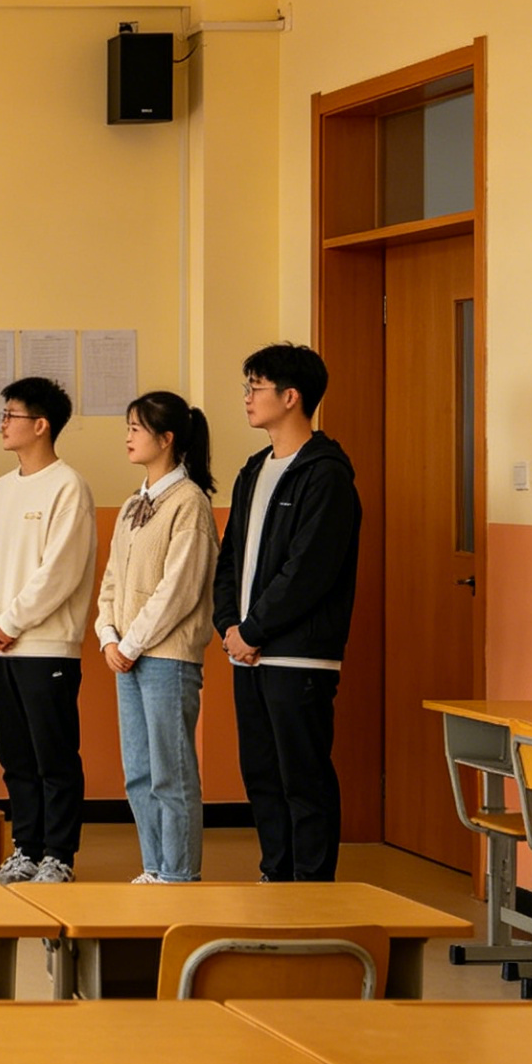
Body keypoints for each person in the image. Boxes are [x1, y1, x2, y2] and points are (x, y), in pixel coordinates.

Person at [213, 343, 361, 882]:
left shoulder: (325, 475)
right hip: (247, 651)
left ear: (291, 396)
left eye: (256, 388)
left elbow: (308, 571)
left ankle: (312, 889)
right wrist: (229, 625)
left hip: (298, 656)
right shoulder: (254, 470)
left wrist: (253, 629)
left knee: (303, 777)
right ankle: (276, 876)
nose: (247, 398)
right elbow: (230, 558)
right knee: (261, 773)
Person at [0, 377, 97, 885]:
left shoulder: (69, 486)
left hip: (47, 648)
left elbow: (59, 573)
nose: (2, 423)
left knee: (53, 756)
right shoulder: (1, 489)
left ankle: (58, 857)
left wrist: (9, 622)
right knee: (16, 756)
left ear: (41, 425)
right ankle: (25, 850)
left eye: (11, 415)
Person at [94, 391, 220, 884]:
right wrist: (108, 635)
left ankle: (179, 874)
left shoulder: (189, 502)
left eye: (136, 427)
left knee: (172, 772)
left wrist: (130, 644)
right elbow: (111, 580)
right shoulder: (133, 504)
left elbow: (179, 589)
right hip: (127, 655)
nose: (127, 436)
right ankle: (154, 867)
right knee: (139, 773)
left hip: (166, 658)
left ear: (166, 439)